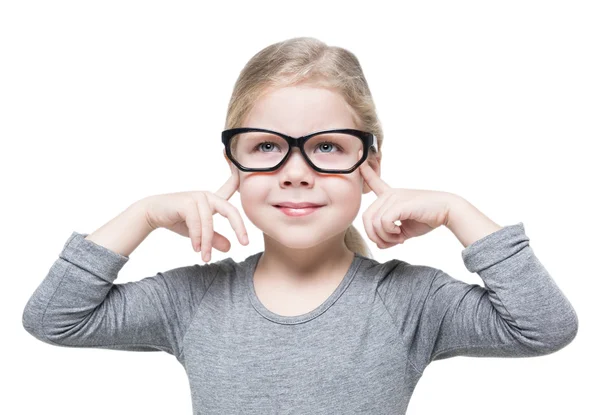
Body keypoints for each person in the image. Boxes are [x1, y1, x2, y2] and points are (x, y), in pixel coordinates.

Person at [22, 37, 578, 414]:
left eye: (328, 147)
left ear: (371, 167)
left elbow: (545, 327)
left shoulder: (410, 299)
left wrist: (460, 210)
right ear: (234, 166)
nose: (296, 174)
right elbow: (53, 319)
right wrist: (139, 214)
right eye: (266, 147)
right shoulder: (194, 299)